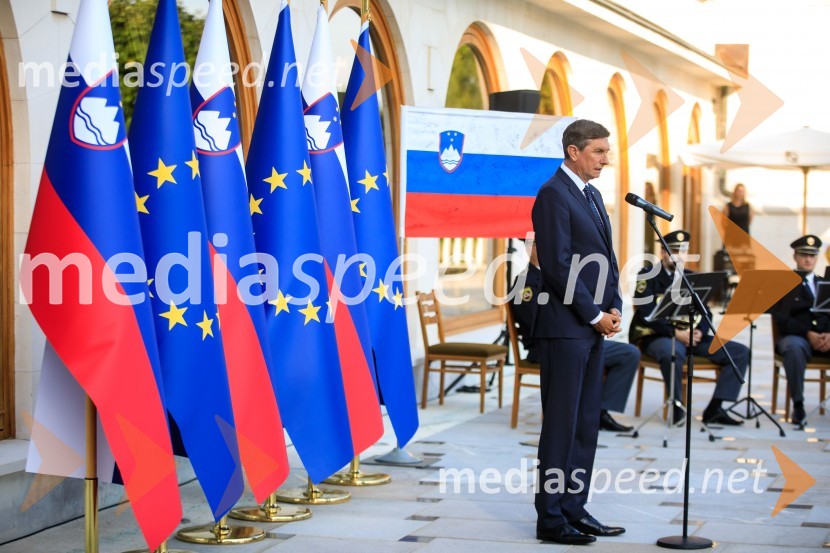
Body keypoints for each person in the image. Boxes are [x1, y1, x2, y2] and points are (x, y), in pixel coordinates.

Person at [531, 119, 625, 545]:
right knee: (561, 425)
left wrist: (614, 305)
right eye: (598, 151)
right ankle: (550, 518)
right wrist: (593, 314)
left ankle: (574, 507)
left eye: (607, 151)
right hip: (566, 328)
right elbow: (558, 264)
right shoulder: (553, 194)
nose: (605, 159)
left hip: (592, 327)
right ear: (574, 151)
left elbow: (606, 258)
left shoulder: (592, 194)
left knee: (586, 423)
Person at [511, 241, 640, 433]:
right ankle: (581, 416)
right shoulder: (524, 282)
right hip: (548, 347)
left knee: (629, 354)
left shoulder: (557, 277)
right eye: (539, 243)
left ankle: (599, 411)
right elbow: (535, 324)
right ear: (529, 247)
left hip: (577, 339)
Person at [628, 230, 749, 426]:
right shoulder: (648, 275)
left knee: (739, 352)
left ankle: (714, 409)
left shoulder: (692, 278)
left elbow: (706, 313)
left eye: (683, 251)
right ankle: (677, 406)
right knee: (673, 353)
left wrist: (699, 331)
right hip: (658, 336)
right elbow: (646, 313)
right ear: (663, 252)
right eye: (674, 251)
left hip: (691, 337)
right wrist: (675, 333)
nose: (679, 256)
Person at [773, 234, 830, 425]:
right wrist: (808, 333)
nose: (808, 259)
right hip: (797, 337)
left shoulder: (825, 283)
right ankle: (798, 405)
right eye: (804, 255)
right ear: (795, 256)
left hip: (825, 337)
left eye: (812, 255)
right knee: (794, 349)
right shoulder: (784, 284)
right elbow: (782, 319)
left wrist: (828, 334)